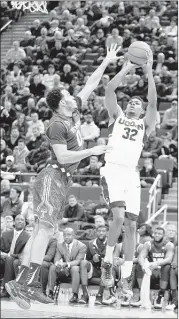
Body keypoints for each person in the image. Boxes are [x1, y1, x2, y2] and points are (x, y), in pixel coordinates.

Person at [6, 44, 120, 309]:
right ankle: (27, 283)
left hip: (60, 180)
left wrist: (105, 61)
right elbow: (63, 156)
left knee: (41, 231)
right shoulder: (57, 124)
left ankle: (22, 283)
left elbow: (90, 84)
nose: (73, 95)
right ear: (60, 103)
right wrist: (92, 149)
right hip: (52, 177)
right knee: (44, 230)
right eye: (69, 94)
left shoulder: (73, 112)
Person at [100, 48, 157, 304]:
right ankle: (107, 260)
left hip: (131, 177)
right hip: (112, 171)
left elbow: (154, 103)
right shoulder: (117, 116)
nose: (133, 103)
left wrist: (149, 71)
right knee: (119, 218)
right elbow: (109, 91)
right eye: (131, 102)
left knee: (132, 226)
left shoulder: (145, 123)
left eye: (137, 103)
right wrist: (126, 68)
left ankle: (125, 276)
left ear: (142, 109)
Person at [138, 227, 174, 309]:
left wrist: (157, 263)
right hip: (151, 270)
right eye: (155, 233)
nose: (157, 235)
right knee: (138, 266)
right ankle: (141, 297)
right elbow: (141, 256)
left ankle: (160, 295)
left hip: (162, 271)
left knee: (167, 267)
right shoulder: (148, 243)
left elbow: (169, 259)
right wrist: (143, 265)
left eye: (159, 233)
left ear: (163, 235)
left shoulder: (169, 245)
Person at [48, 228, 86, 302]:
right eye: (64, 235)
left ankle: (75, 295)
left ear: (74, 235)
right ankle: (50, 292)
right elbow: (56, 259)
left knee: (75, 268)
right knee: (53, 267)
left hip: (74, 271)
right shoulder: (59, 245)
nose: (66, 237)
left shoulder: (81, 246)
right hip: (63, 270)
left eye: (69, 235)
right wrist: (58, 264)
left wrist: (66, 264)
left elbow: (78, 261)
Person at [0, 215, 29, 298]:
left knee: (10, 259)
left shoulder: (27, 237)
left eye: (22, 220)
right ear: (13, 222)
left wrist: (9, 255)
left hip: (16, 259)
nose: (20, 221)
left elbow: (23, 254)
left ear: (24, 223)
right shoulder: (5, 234)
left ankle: (6, 290)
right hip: (3, 258)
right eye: (18, 219)